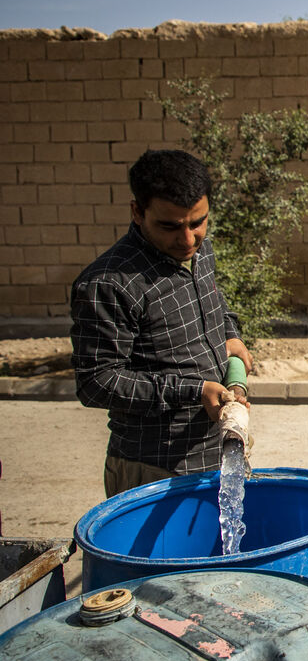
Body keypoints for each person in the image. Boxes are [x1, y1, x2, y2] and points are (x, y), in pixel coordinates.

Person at [71, 149, 253, 497]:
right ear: (137, 212)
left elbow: (214, 303)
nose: (187, 239)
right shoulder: (107, 284)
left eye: (197, 222)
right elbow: (96, 382)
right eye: (169, 226)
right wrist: (193, 390)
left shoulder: (199, 251)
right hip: (152, 468)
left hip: (215, 454)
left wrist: (229, 334)